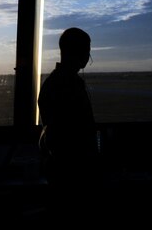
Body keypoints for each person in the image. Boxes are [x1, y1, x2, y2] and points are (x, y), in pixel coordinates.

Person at [37, 27, 101, 202]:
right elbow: (79, 136)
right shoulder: (70, 86)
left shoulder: (51, 83)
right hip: (74, 176)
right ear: (79, 52)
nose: (88, 56)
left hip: (60, 173)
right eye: (86, 50)